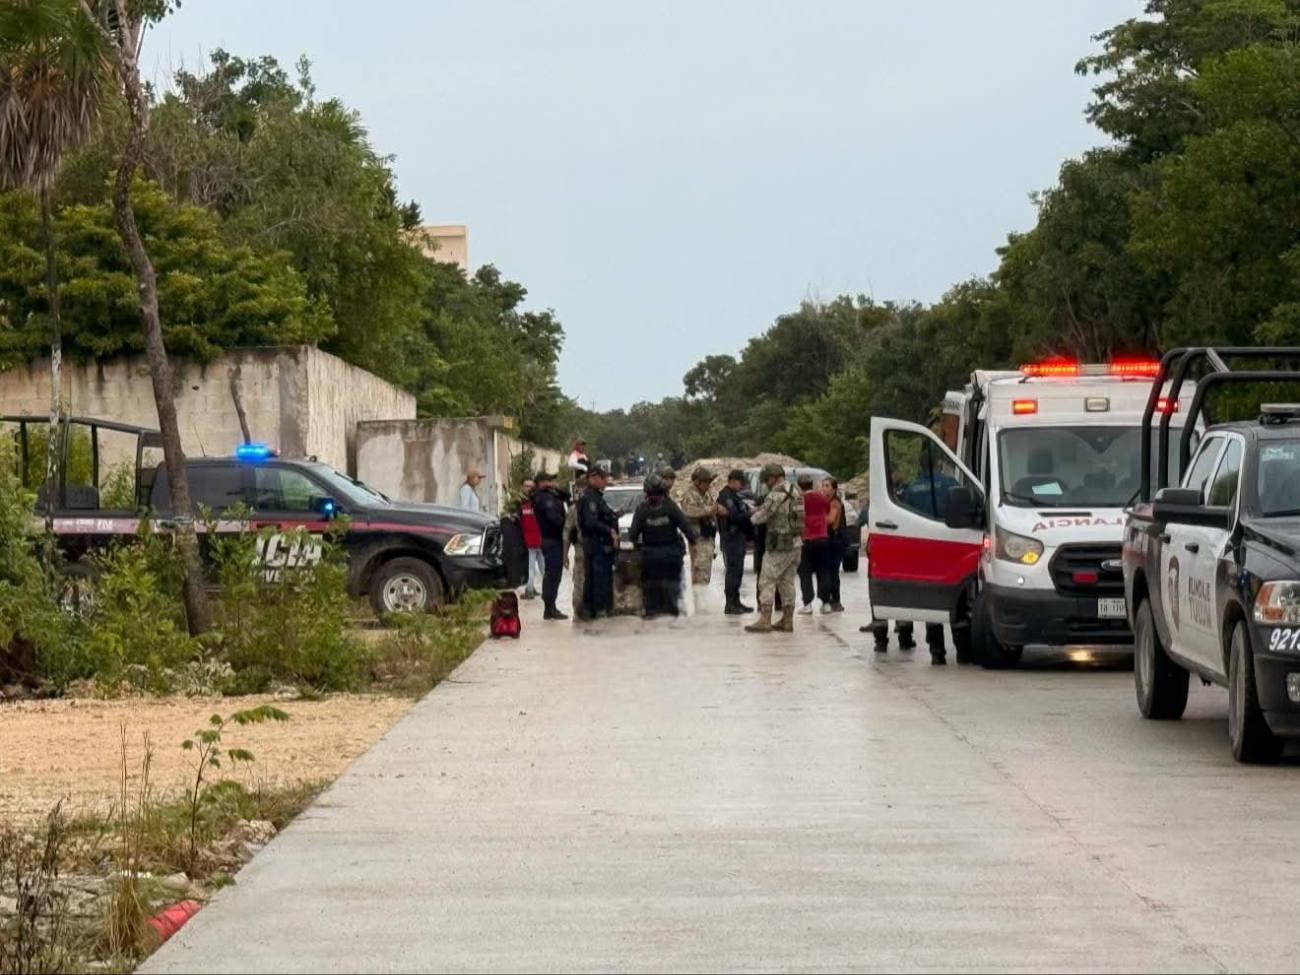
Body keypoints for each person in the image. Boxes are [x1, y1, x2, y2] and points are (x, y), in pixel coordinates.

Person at [746, 464, 804, 633]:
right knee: (787, 583)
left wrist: (752, 515)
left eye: (768, 479)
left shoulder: (775, 495)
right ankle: (787, 621)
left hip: (778, 545)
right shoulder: (796, 491)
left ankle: (765, 619)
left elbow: (759, 518)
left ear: (775, 477)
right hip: (796, 543)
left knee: (766, 580)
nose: (767, 482)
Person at [629, 473, 697, 618]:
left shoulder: (642, 509)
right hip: (670, 554)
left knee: (651, 586)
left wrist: (637, 546)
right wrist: (692, 542)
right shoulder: (670, 506)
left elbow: (632, 535)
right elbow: (685, 525)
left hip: (651, 555)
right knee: (672, 585)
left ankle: (652, 611)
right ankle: (672, 610)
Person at [577, 467, 619, 620]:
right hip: (596, 545)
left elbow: (604, 516)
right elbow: (591, 522)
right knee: (598, 579)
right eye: (603, 478)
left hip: (601, 546)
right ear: (594, 478)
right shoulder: (590, 499)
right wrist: (610, 531)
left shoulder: (597, 497)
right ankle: (597, 610)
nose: (606, 481)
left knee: (600, 578)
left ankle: (597, 609)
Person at [716, 469, 754, 615]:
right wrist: (749, 514)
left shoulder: (735, 496)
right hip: (731, 538)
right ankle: (730, 604)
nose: (741, 485)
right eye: (739, 482)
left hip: (738, 537)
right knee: (732, 571)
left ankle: (736, 602)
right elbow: (734, 516)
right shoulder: (726, 496)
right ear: (732, 481)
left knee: (738, 571)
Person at [532, 472, 569, 621]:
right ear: (540, 482)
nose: (551, 483)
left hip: (555, 539)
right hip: (551, 539)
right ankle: (549, 607)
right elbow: (553, 517)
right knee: (552, 574)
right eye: (548, 480)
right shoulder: (542, 497)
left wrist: (556, 488)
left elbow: (567, 495)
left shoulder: (551, 494)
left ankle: (551, 606)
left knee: (556, 574)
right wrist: (566, 525)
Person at [680, 467, 719, 598]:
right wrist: (709, 510)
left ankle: (702, 605)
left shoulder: (706, 495)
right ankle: (700, 607)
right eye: (706, 482)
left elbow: (714, 510)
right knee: (700, 575)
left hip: (707, 539)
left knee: (705, 574)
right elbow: (689, 512)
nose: (708, 485)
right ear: (697, 482)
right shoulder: (689, 495)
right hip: (698, 540)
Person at [797, 473, 832, 615]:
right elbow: (827, 510)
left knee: (805, 573)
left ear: (800, 487)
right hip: (822, 537)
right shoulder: (821, 497)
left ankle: (807, 604)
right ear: (812, 484)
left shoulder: (800, 499)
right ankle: (825, 603)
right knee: (823, 571)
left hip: (806, 539)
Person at [517, 479, 544, 600]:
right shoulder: (540, 505)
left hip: (529, 540)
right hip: (540, 539)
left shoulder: (523, 506)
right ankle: (547, 589)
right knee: (543, 567)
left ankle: (529, 591)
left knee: (531, 567)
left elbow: (521, 523)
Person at [823, 477, 846, 613]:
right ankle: (832, 599)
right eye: (823, 485)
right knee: (829, 571)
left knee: (833, 572)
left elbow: (831, 520)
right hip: (830, 540)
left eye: (827, 486)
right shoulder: (827, 502)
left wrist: (815, 519)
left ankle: (836, 601)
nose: (823, 488)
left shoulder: (835, 502)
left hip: (836, 541)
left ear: (833, 489)